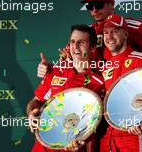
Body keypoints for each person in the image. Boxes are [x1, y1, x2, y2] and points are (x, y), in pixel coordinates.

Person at [37, 0, 142, 78]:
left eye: (99, 5)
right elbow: (67, 64)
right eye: (90, 6)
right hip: (95, 95)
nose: (94, 10)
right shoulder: (87, 33)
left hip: (129, 94)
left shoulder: (134, 27)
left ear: (112, 4)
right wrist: (49, 69)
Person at [27, 24, 104, 152]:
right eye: (72, 42)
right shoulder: (56, 71)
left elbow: (97, 123)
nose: (75, 47)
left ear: (93, 47)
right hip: (43, 146)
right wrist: (31, 113)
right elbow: (36, 100)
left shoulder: (98, 82)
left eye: (81, 42)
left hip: (73, 147)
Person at [99, 14, 142, 152]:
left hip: (133, 133)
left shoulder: (141, 60)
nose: (109, 36)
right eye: (106, 32)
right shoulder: (103, 67)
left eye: (114, 31)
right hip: (107, 136)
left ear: (125, 34)